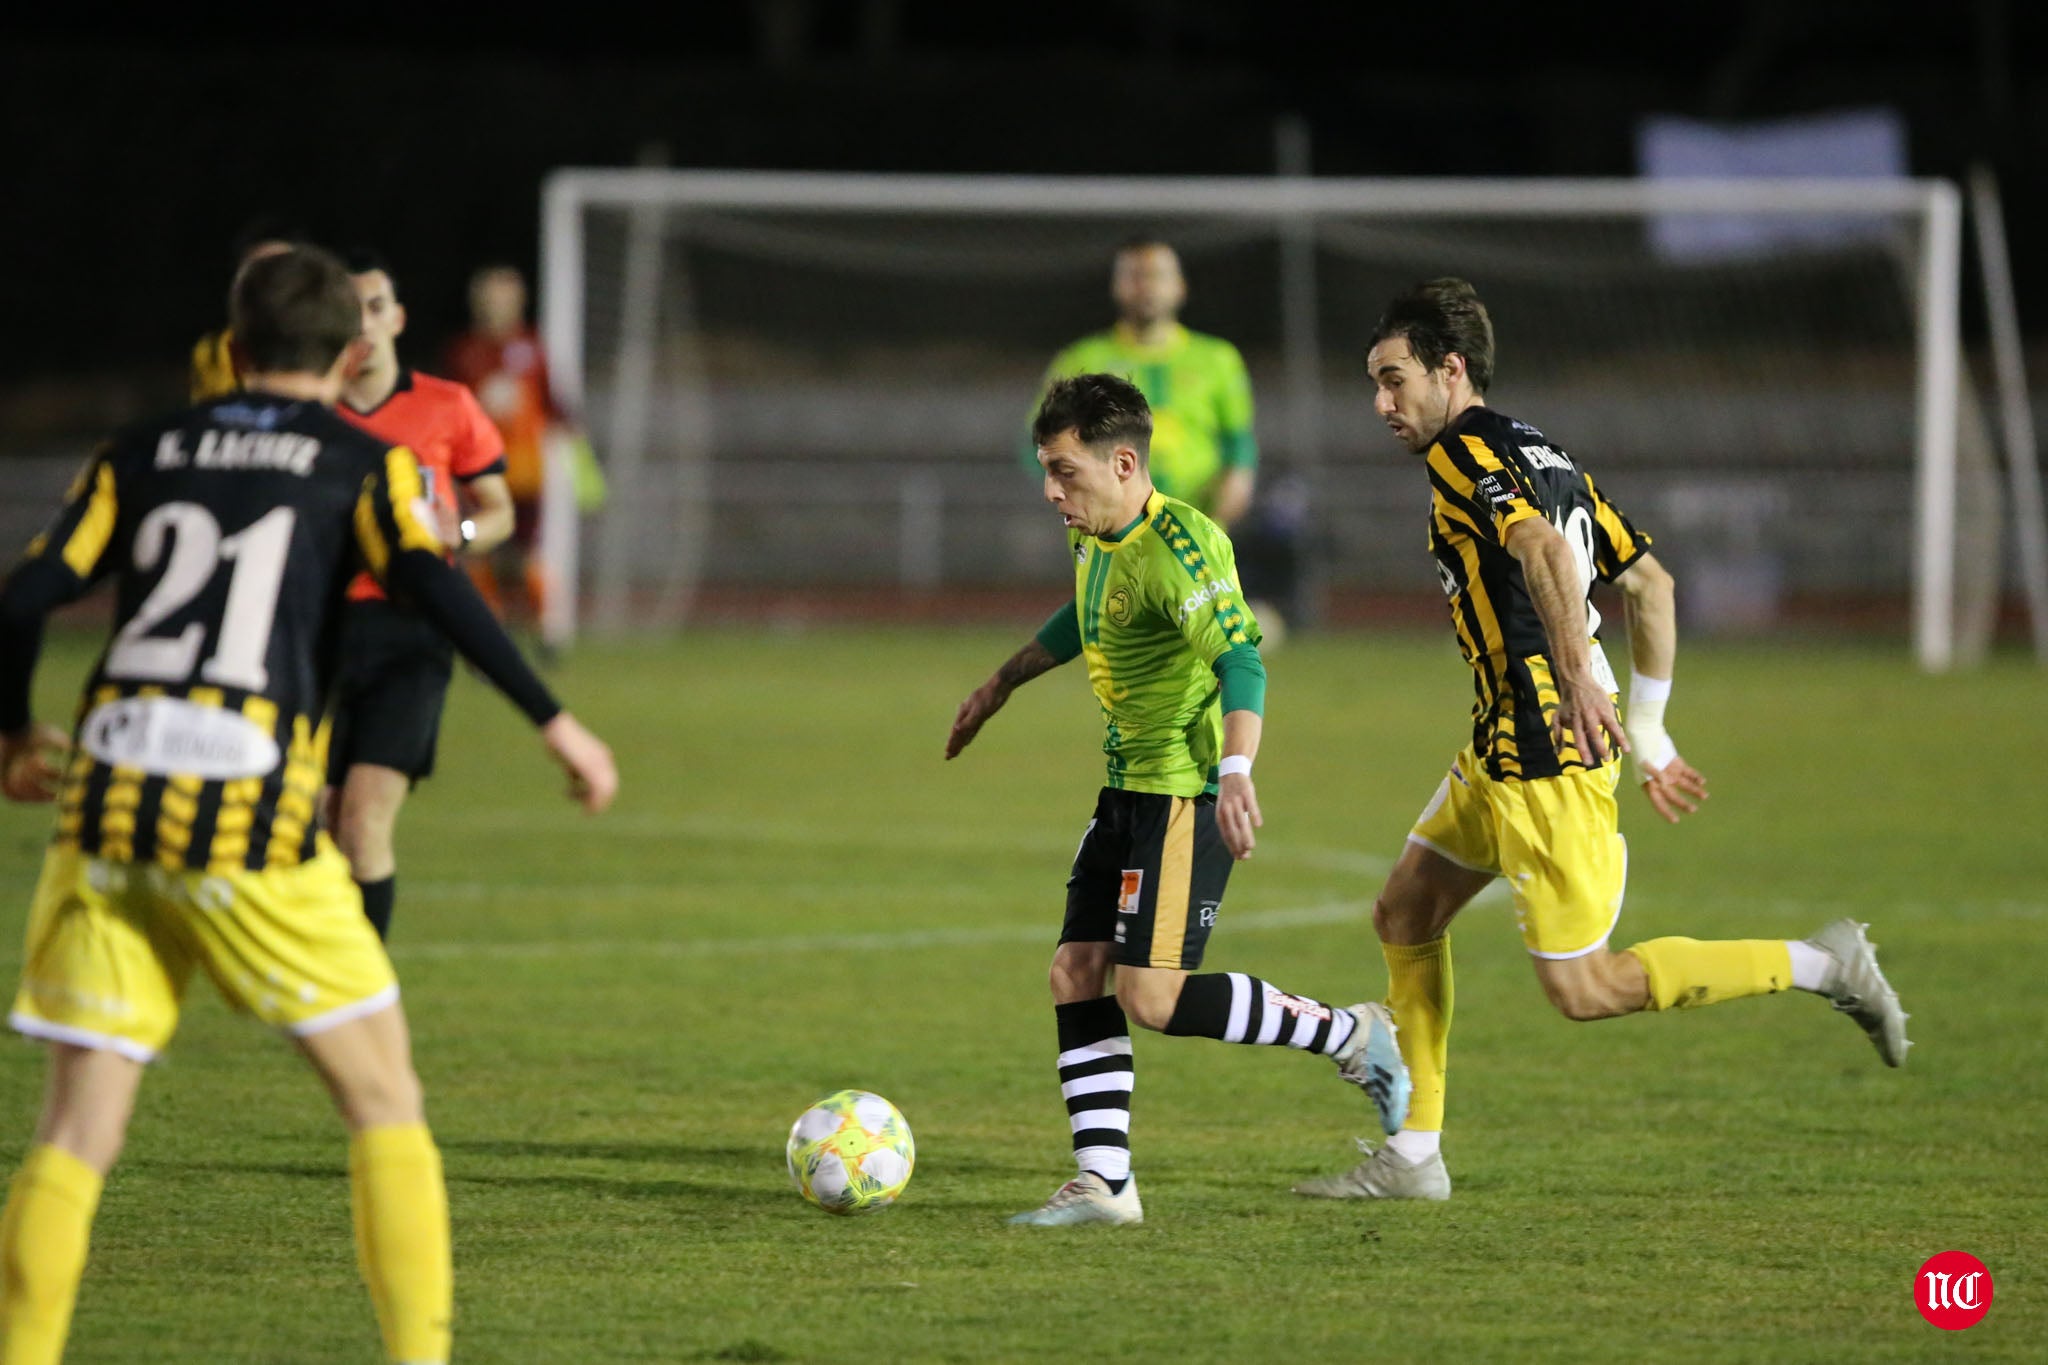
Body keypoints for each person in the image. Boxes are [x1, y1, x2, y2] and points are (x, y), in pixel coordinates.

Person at [0, 246, 618, 1365]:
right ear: (345, 355)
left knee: (77, 1129)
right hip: (243, 811)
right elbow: (435, 579)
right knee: (385, 1101)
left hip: (107, 806)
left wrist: (8, 736)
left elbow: (23, 597)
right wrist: (551, 717)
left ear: (231, 350)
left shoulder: (137, 452)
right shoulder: (354, 459)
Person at [1294, 278, 1908, 1204]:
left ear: (1450, 369)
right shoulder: (1544, 451)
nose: (1381, 404)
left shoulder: (1464, 450)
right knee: (1405, 914)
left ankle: (1825, 963)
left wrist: (1579, 677)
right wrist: (1651, 728)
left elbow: (1542, 552)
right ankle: (1415, 1157)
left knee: (1585, 988)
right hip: (1507, 740)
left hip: (1546, 747)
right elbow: (1651, 585)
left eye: (1393, 379)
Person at [948, 373, 1409, 1228]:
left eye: (1065, 471)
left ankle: (1349, 1033)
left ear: (1124, 462)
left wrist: (1236, 771)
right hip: (1124, 788)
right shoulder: (1097, 531)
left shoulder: (1182, 547)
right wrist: (1000, 683)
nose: (1051, 489)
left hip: (1184, 794)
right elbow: (1090, 615)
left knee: (1151, 998)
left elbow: (1242, 657)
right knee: (1074, 973)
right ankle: (1106, 1183)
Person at [328, 248, 517, 941]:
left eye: (376, 307)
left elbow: (499, 509)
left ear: (398, 317)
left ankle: (361, 991)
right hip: (318, 632)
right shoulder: (311, 414)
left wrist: (459, 532)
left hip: (410, 629)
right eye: (348, 311)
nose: (364, 323)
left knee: (365, 819)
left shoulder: (447, 404)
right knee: (322, 823)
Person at [1030, 239, 1258, 528]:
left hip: (1197, 525)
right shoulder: (1082, 359)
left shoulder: (1218, 359)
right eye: (1135, 276)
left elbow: (1239, 443)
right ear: (1116, 286)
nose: (1147, 286)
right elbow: (1038, 442)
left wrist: (1237, 482)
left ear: (1180, 286)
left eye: (1158, 275)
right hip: (1109, 531)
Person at [442, 264, 567, 633]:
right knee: (478, 547)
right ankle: (486, 624)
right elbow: (449, 407)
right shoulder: (465, 351)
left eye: (506, 299)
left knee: (525, 553)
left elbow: (553, 402)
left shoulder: (531, 346)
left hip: (526, 470)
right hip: (479, 468)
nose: (498, 306)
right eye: (491, 299)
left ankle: (546, 624)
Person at [189, 218, 302, 401]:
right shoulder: (213, 351)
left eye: (282, 269)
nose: (272, 283)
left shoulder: (333, 340)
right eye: (257, 272)